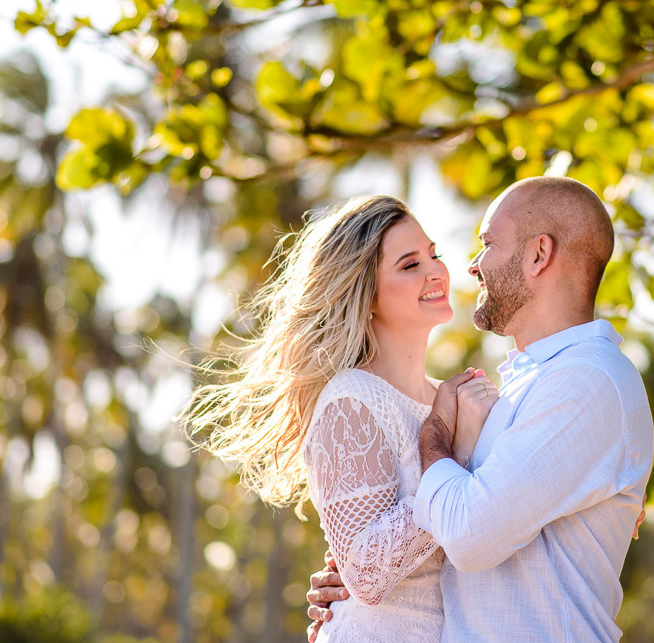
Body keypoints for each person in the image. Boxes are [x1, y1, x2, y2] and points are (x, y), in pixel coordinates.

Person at [308, 176, 654, 643]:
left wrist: (439, 442)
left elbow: (469, 528)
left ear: (538, 255)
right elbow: (378, 556)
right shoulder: (516, 387)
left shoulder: (584, 380)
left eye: (488, 244)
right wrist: (353, 579)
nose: (469, 266)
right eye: (411, 263)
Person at [182, 195, 498, 643]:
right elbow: (366, 576)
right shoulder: (351, 399)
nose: (435, 272)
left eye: (434, 254)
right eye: (409, 264)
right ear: (365, 293)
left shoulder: (448, 399)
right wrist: (456, 454)